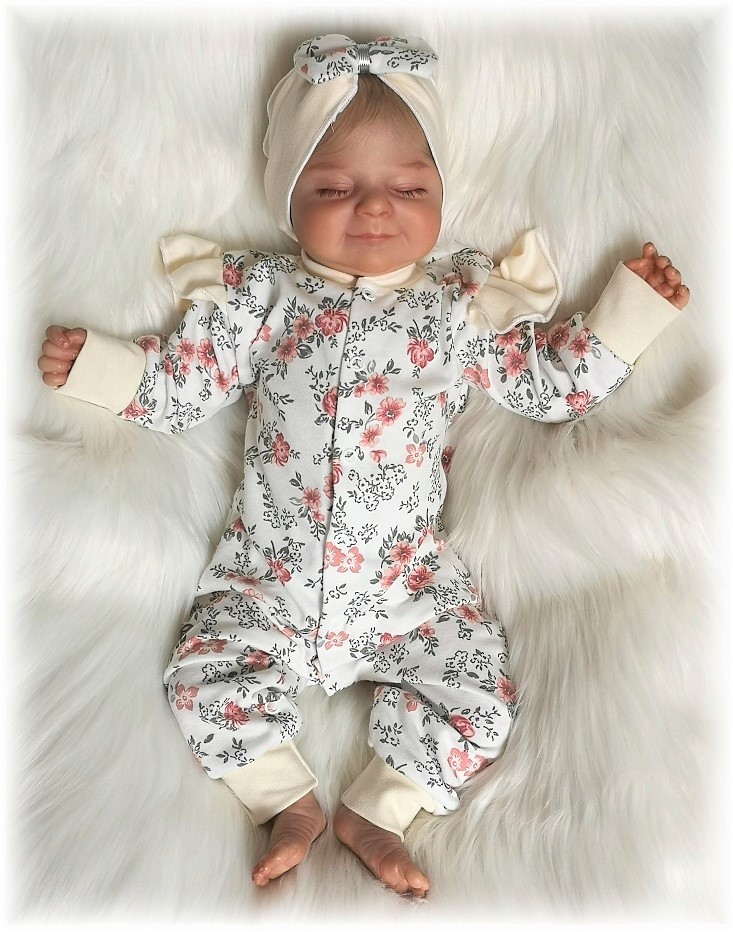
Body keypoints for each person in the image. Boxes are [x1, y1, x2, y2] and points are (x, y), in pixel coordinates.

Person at [37, 34, 689, 898]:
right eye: (334, 188)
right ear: (288, 198)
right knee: (201, 673)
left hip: (405, 587)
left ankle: (381, 807)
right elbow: (186, 385)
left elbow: (547, 386)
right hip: (266, 576)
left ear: (440, 195)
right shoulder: (263, 296)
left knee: (478, 696)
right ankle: (284, 798)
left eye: (409, 188)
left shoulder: (457, 305)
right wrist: (101, 367)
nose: (375, 207)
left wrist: (625, 314)